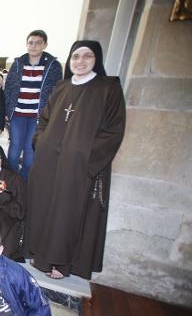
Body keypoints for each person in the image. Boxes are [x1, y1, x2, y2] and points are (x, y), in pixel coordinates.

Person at [27, 40, 126, 280]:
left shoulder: (107, 88)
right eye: (75, 56)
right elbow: (44, 120)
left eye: (87, 56)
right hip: (49, 164)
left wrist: (85, 158)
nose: (80, 61)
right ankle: (39, 255)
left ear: (97, 60)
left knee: (67, 213)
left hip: (80, 167)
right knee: (44, 207)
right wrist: (40, 142)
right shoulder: (61, 87)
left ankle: (61, 263)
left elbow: (113, 130)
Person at [4, 30, 63, 180]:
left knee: (31, 147)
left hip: (38, 115)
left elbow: (58, 90)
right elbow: (9, 86)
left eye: (38, 43)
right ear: (26, 44)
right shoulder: (18, 63)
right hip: (17, 113)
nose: (34, 46)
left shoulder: (53, 65)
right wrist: (6, 109)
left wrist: (51, 114)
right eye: (31, 42)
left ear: (45, 45)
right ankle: (11, 177)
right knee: (15, 145)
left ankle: (25, 178)